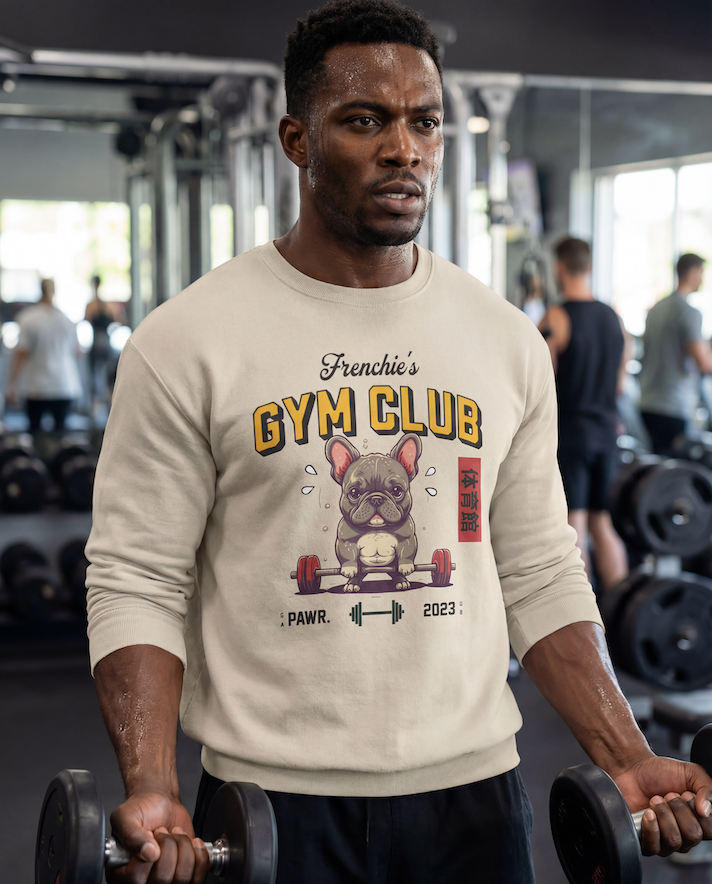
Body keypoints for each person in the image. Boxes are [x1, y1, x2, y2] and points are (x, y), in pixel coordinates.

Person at [86, 4, 712, 883]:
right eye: (365, 120)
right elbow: (138, 576)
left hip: (476, 795)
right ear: (297, 140)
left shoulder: (503, 339)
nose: (404, 149)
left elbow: (536, 565)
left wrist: (627, 752)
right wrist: (152, 785)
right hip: (269, 804)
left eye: (424, 122)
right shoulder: (187, 340)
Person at [539, 237, 628, 591]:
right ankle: (624, 614)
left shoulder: (557, 317)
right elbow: (620, 383)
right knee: (603, 525)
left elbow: (541, 382)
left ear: (559, 267)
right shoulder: (614, 318)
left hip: (573, 435)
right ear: (588, 267)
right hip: (607, 434)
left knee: (574, 527)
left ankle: (584, 623)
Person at [639, 253, 712, 454]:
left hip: (648, 401)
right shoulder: (689, 312)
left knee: (657, 468)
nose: (703, 279)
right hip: (673, 405)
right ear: (691, 273)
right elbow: (703, 362)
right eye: (701, 273)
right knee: (675, 474)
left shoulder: (656, 309)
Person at [6, 278, 82, 433]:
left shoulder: (28, 318)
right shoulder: (67, 320)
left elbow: (21, 353)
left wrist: (12, 383)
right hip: (63, 384)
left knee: (34, 433)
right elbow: (77, 352)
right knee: (61, 436)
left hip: (36, 386)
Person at [84, 274, 125, 407]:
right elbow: (120, 320)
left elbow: (87, 319)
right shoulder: (108, 306)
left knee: (96, 377)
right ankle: (105, 405)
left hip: (97, 344)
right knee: (106, 377)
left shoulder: (91, 306)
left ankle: (97, 406)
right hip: (106, 343)